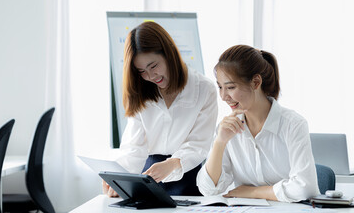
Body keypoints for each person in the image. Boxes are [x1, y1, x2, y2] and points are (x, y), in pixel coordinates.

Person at [103, 21, 218, 197]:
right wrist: (118, 177)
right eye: (141, 71)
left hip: (187, 177)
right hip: (148, 177)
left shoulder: (204, 89)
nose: (150, 76)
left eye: (153, 66)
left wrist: (172, 164)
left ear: (169, 53)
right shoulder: (140, 91)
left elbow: (199, 144)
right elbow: (134, 148)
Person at [196, 45, 319, 202]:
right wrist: (220, 143)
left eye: (230, 87)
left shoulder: (293, 124)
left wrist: (252, 192)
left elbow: (305, 188)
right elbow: (209, 189)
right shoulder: (226, 129)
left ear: (255, 82)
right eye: (220, 87)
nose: (223, 96)